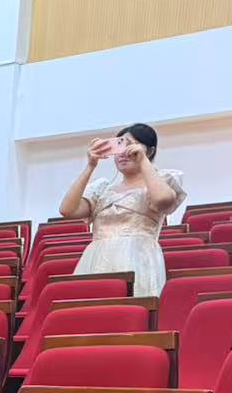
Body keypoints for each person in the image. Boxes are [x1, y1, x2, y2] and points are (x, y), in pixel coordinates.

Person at [60, 122, 185, 297]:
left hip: (138, 257)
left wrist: (143, 160)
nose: (123, 153)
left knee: (131, 308)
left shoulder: (161, 180)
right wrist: (90, 166)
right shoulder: (103, 188)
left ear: (150, 151)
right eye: (119, 146)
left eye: (131, 145)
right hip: (96, 258)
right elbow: (67, 210)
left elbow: (163, 200)